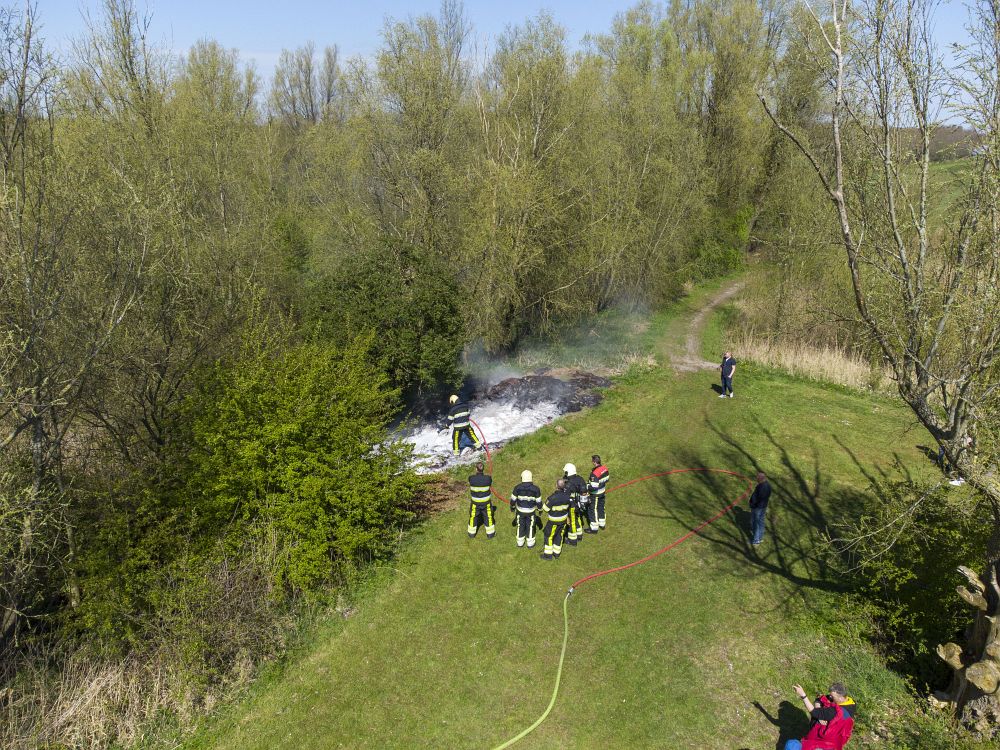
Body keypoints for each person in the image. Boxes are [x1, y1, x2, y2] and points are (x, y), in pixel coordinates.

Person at [783, 682, 857, 750]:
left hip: (821, 739)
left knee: (792, 745)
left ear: (841, 698)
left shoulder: (836, 712)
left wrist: (803, 695)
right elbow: (819, 700)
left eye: (832, 697)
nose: (830, 698)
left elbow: (814, 712)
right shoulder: (849, 701)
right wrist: (819, 709)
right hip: (824, 737)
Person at [509, 469, 542, 548]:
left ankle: (520, 543)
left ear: (522, 478)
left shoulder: (517, 488)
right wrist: (540, 510)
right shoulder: (536, 489)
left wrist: (512, 507)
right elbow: (539, 502)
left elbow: (513, 500)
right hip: (531, 512)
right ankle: (530, 543)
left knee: (520, 525)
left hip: (520, 511)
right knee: (530, 526)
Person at [540, 478, 572, 560]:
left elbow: (545, 509)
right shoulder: (568, 497)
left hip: (553, 521)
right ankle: (556, 553)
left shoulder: (552, 498)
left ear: (556, 486)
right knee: (559, 535)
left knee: (549, 536)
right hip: (563, 520)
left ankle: (548, 555)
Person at [562, 463, 589, 545]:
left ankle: (573, 539)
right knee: (578, 518)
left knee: (572, 521)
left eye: (566, 472)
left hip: (572, 505)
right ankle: (579, 535)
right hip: (579, 504)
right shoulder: (580, 479)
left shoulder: (569, 484)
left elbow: (565, 496)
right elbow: (584, 491)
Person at [467, 462, 495, 539]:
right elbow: (490, 482)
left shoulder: (471, 478)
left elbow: (470, 481)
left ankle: (471, 534)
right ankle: (490, 534)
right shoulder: (488, 478)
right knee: (488, 516)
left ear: (476, 469)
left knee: (473, 516)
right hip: (486, 503)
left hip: (475, 503)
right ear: (483, 469)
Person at [588, 454, 610, 532]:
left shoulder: (594, 473)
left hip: (595, 494)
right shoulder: (605, 468)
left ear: (594, 462)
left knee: (593, 509)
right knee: (601, 508)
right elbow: (607, 479)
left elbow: (594, 487)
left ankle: (594, 528)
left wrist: (587, 487)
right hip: (603, 491)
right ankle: (602, 524)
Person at [749, 471, 771, 546]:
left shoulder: (762, 487)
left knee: (756, 523)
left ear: (760, 478)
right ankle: (760, 537)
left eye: (757, 478)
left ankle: (756, 540)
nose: (756, 479)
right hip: (763, 507)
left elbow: (759, 498)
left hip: (758, 508)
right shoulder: (767, 485)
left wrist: (753, 504)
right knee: (761, 522)